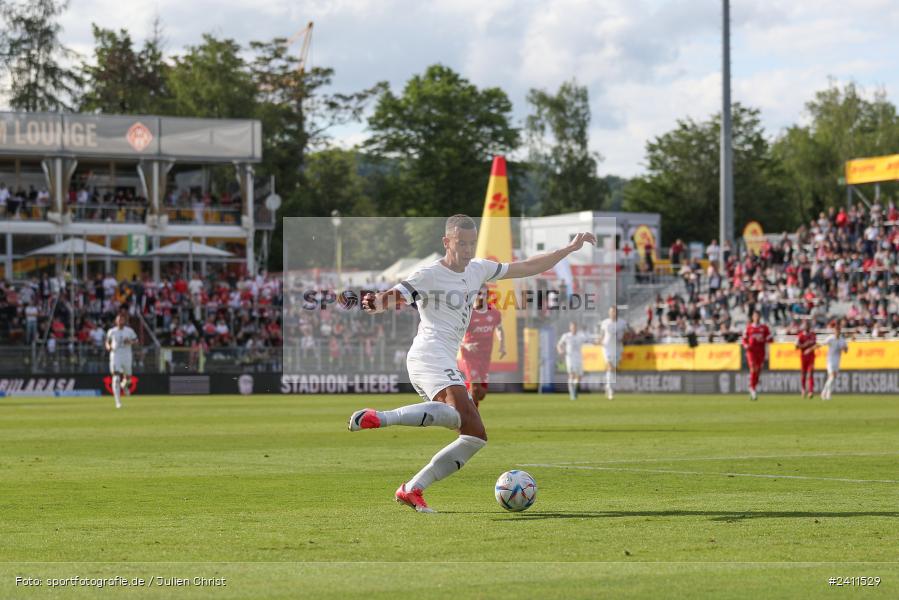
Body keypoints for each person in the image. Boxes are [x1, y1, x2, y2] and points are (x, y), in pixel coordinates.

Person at [347, 214, 595, 513]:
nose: (466, 249)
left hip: (441, 358)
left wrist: (567, 249)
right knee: (463, 418)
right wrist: (377, 302)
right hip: (429, 355)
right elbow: (396, 296)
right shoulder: (429, 274)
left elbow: (528, 265)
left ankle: (412, 489)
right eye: (460, 243)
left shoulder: (478, 269)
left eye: (470, 243)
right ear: (446, 241)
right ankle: (379, 417)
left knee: (474, 435)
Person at [457, 285, 505, 408]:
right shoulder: (468, 314)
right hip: (469, 355)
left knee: (481, 394)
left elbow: (499, 329)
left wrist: (502, 345)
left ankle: (464, 400)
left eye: (484, 294)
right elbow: (455, 335)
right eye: (479, 294)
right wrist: (466, 345)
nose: (482, 297)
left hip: (485, 355)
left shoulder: (494, 313)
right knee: (475, 388)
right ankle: (471, 420)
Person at [105, 312, 138, 409]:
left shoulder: (129, 331)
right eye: (119, 319)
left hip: (127, 355)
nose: (120, 321)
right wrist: (108, 347)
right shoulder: (112, 331)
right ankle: (118, 402)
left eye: (122, 319)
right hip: (116, 355)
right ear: (116, 321)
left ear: (125, 321)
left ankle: (124, 385)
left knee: (128, 378)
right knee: (116, 376)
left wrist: (130, 342)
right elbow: (107, 342)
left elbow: (136, 341)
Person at [556, 321, 591, 401]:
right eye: (572, 327)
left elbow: (588, 341)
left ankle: (574, 391)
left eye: (575, 327)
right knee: (572, 375)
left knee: (579, 377)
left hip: (579, 359)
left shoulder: (580, 336)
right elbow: (559, 344)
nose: (573, 328)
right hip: (570, 358)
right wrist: (560, 350)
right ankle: (572, 393)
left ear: (576, 328)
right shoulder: (566, 336)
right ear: (570, 328)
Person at [742, 311, 772, 401]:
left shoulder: (764, 328)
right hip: (751, 352)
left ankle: (752, 386)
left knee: (758, 370)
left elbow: (770, 338)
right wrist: (746, 345)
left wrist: (765, 339)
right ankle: (752, 389)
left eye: (758, 316)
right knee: (753, 368)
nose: (756, 317)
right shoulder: (749, 328)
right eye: (755, 316)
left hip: (761, 351)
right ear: (752, 317)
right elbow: (744, 339)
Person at [599, 306, 627, 399]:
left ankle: (607, 385)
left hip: (617, 348)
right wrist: (599, 341)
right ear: (609, 313)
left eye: (614, 312)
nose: (612, 313)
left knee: (613, 369)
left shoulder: (622, 323)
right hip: (606, 347)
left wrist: (624, 337)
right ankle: (610, 390)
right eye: (611, 312)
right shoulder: (605, 322)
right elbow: (602, 335)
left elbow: (628, 333)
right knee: (610, 367)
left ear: (617, 313)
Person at [820, 321, 849, 401]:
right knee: (832, 376)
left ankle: (827, 393)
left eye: (839, 330)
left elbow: (846, 350)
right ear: (834, 330)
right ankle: (824, 392)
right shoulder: (830, 338)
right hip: (830, 360)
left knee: (833, 377)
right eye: (836, 330)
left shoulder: (842, 340)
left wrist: (844, 349)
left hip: (837, 360)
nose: (837, 331)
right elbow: (822, 344)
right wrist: (812, 348)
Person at [795, 320, 817, 398]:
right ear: (803, 326)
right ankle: (803, 389)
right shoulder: (800, 335)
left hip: (811, 356)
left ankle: (810, 391)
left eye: (808, 325)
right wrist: (805, 345)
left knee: (811, 373)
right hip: (803, 356)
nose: (807, 327)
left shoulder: (813, 335)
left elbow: (815, 345)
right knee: (803, 373)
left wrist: (809, 349)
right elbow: (796, 347)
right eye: (805, 325)